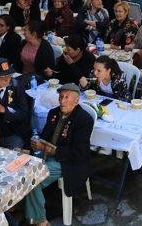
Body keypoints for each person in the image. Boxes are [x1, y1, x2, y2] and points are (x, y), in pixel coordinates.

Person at [25, 83, 93, 226]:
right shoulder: (54, 113)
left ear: (76, 100)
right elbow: (45, 136)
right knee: (22, 169)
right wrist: (37, 143)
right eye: (61, 97)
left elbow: (78, 153)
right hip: (48, 156)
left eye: (67, 98)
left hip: (68, 162)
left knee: (33, 179)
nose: (62, 101)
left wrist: (51, 150)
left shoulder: (84, 119)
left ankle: (40, 221)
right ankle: (25, 207)